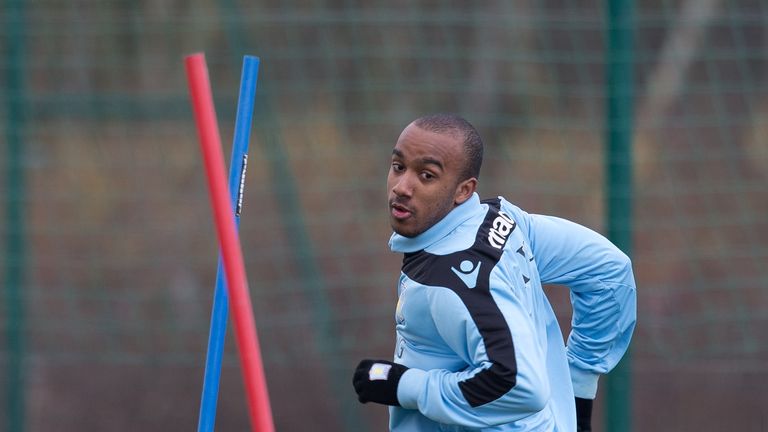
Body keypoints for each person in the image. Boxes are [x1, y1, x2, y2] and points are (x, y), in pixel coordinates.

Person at [352, 113, 636, 431]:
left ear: (463, 190)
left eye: (427, 176)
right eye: (398, 167)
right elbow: (610, 271)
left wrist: (405, 386)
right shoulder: (500, 221)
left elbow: (520, 385)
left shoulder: (446, 283)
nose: (402, 187)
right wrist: (578, 389)